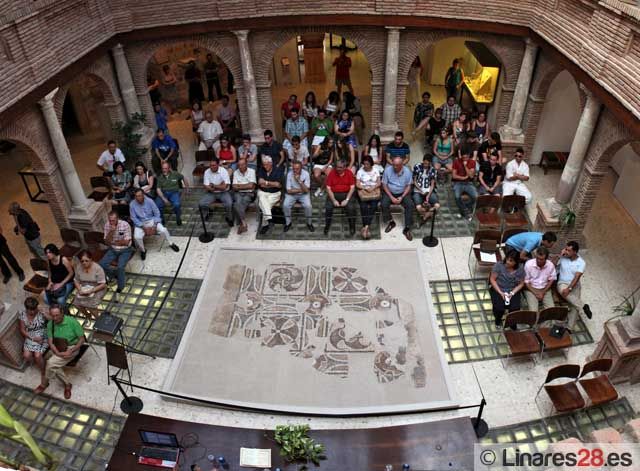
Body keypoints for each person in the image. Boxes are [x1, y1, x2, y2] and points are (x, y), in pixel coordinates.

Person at [37, 304, 86, 399]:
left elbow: (82, 340)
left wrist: (71, 351)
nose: (55, 318)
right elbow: (50, 342)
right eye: (53, 315)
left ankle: (44, 384)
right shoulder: (50, 324)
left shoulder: (72, 322)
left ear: (62, 313)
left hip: (72, 348)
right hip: (58, 347)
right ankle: (67, 384)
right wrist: (57, 352)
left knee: (50, 363)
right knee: (52, 366)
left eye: (57, 315)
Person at [129, 189, 179, 260]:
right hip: (140, 223)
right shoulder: (132, 204)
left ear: (143, 195)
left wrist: (155, 226)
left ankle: (171, 243)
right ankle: (143, 250)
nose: (138, 198)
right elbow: (133, 218)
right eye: (136, 196)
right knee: (137, 237)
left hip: (151, 220)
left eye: (139, 196)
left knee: (164, 230)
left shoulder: (149, 201)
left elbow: (157, 213)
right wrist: (143, 227)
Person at [556, 241, 593, 327]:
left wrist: (570, 288)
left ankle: (570, 327)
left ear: (575, 252)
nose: (566, 251)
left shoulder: (581, 262)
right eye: (566, 249)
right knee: (564, 292)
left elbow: (577, 277)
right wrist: (560, 255)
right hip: (562, 283)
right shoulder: (563, 257)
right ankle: (583, 306)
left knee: (574, 305)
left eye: (569, 250)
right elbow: (553, 265)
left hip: (575, 284)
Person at [99, 211, 134, 293]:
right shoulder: (107, 225)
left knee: (120, 267)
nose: (111, 222)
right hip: (113, 249)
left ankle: (121, 286)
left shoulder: (125, 225)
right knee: (101, 264)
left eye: (113, 220)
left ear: (117, 219)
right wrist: (111, 232)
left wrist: (113, 242)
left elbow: (126, 242)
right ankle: (114, 274)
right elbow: (106, 242)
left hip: (125, 250)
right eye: (110, 220)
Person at [382, 156, 415, 240]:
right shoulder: (388, 170)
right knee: (384, 204)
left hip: (403, 192)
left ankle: (407, 228)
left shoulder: (407, 171)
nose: (394, 167)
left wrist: (402, 196)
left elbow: (408, 186)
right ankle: (391, 222)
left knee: (410, 205)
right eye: (393, 165)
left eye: (397, 165)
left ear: (401, 165)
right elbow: (384, 185)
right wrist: (391, 197)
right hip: (390, 192)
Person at [489, 251, 525, 327]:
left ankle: (511, 323)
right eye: (507, 259)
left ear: (516, 262)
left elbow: (521, 283)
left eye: (511, 261)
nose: (508, 262)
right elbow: (492, 279)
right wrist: (500, 292)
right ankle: (498, 321)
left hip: (512, 289)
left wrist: (512, 293)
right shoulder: (499, 265)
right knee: (499, 308)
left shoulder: (520, 269)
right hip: (499, 288)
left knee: (515, 308)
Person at [19, 297, 48, 391]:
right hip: (30, 336)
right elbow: (22, 330)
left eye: (34, 309)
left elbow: (51, 320)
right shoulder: (22, 315)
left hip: (42, 334)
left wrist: (44, 313)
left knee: (37, 355)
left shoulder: (40, 312)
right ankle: (38, 363)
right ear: (26, 308)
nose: (32, 312)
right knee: (26, 356)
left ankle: (43, 371)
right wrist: (32, 338)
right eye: (29, 310)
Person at [324, 160, 357, 236]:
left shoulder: (349, 173)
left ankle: (352, 226)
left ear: (345, 167)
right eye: (337, 167)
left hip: (346, 194)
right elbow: (328, 188)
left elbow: (352, 188)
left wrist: (347, 200)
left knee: (351, 208)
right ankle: (327, 226)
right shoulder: (332, 173)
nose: (338, 169)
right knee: (328, 207)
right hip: (334, 194)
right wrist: (334, 200)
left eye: (340, 167)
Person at [199, 158, 234, 227]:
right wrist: (219, 185)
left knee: (229, 203)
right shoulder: (207, 171)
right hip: (211, 193)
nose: (212, 167)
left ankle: (229, 218)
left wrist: (213, 185)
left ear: (218, 165)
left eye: (214, 165)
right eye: (211, 165)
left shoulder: (223, 171)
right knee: (201, 203)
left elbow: (225, 187)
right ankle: (209, 211)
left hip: (223, 192)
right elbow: (206, 186)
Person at [72, 249, 107, 319]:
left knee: (91, 306)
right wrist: (79, 289)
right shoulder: (79, 267)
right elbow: (76, 280)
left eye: (86, 261)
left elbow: (103, 284)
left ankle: (98, 319)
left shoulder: (98, 269)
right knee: (76, 304)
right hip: (84, 287)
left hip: (97, 287)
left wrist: (91, 291)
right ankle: (87, 315)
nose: (84, 263)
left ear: (91, 259)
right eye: (82, 261)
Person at [283, 161, 314, 232]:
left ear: (301, 168)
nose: (295, 170)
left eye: (297, 169)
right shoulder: (289, 174)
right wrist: (301, 189)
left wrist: (299, 181)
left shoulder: (306, 174)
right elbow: (288, 190)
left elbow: (307, 190)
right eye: (293, 168)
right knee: (285, 205)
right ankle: (288, 223)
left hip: (303, 195)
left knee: (308, 206)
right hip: (292, 195)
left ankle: (309, 223)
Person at [256, 156, 284, 235]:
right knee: (261, 197)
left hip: (275, 194)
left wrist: (266, 183)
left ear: (271, 163)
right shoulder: (262, 169)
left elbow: (278, 185)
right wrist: (272, 184)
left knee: (263, 204)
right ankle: (268, 218)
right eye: (264, 164)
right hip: (263, 192)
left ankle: (266, 224)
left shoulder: (278, 170)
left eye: (267, 164)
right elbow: (260, 183)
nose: (265, 166)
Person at [524, 246, 556, 311]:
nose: (538, 261)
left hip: (545, 288)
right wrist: (536, 293)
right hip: (531, 289)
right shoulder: (528, 264)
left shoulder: (550, 265)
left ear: (546, 259)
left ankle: (548, 321)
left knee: (551, 310)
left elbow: (551, 280)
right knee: (533, 311)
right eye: (537, 258)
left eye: (541, 259)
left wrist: (543, 292)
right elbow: (526, 282)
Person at [155, 161, 188, 226]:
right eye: (163, 168)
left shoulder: (175, 174)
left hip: (174, 193)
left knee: (177, 204)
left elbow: (183, 177)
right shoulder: (160, 177)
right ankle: (162, 220)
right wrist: (164, 199)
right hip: (164, 193)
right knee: (157, 205)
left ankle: (178, 218)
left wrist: (187, 188)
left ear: (169, 168)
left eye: (165, 168)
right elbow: (158, 189)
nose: (164, 170)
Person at [356, 155, 381, 240]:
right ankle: (367, 227)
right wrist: (365, 188)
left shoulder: (376, 170)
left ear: (371, 164)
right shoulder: (360, 171)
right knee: (363, 207)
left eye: (367, 164)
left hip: (374, 192)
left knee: (374, 206)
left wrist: (372, 188)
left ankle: (365, 227)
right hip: (364, 192)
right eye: (364, 164)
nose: (365, 166)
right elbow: (357, 184)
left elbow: (379, 182)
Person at [412, 154, 440, 225]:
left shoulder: (433, 170)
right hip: (418, 190)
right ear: (423, 161)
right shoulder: (417, 166)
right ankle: (428, 214)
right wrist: (421, 190)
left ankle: (425, 217)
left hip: (428, 190)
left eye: (427, 164)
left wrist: (428, 195)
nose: (425, 165)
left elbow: (432, 184)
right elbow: (414, 181)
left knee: (437, 206)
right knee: (418, 207)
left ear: (430, 163)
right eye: (424, 163)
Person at [232, 158, 256, 234]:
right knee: (237, 202)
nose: (240, 166)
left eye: (242, 164)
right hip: (238, 193)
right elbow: (234, 186)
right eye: (239, 165)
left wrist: (239, 186)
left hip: (249, 193)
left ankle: (240, 223)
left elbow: (251, 186)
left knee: (237, 204)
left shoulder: (252, 171)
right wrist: (246, 185)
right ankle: (244, 223)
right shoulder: (236, 172)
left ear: (246, 164)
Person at [451, 148, 477, 221]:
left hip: (468, 183)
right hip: (458, 183)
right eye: (464, 157)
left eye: (467, 157)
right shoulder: (456, 161)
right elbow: (454, 175)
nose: (465, 159)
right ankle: (466, 211)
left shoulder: (472, 162)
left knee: (475, 196)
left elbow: (471, 176)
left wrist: (465, 166)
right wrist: (463, 178)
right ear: (461, 156)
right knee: (457, 197)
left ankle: (464, 209)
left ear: (469, 156)